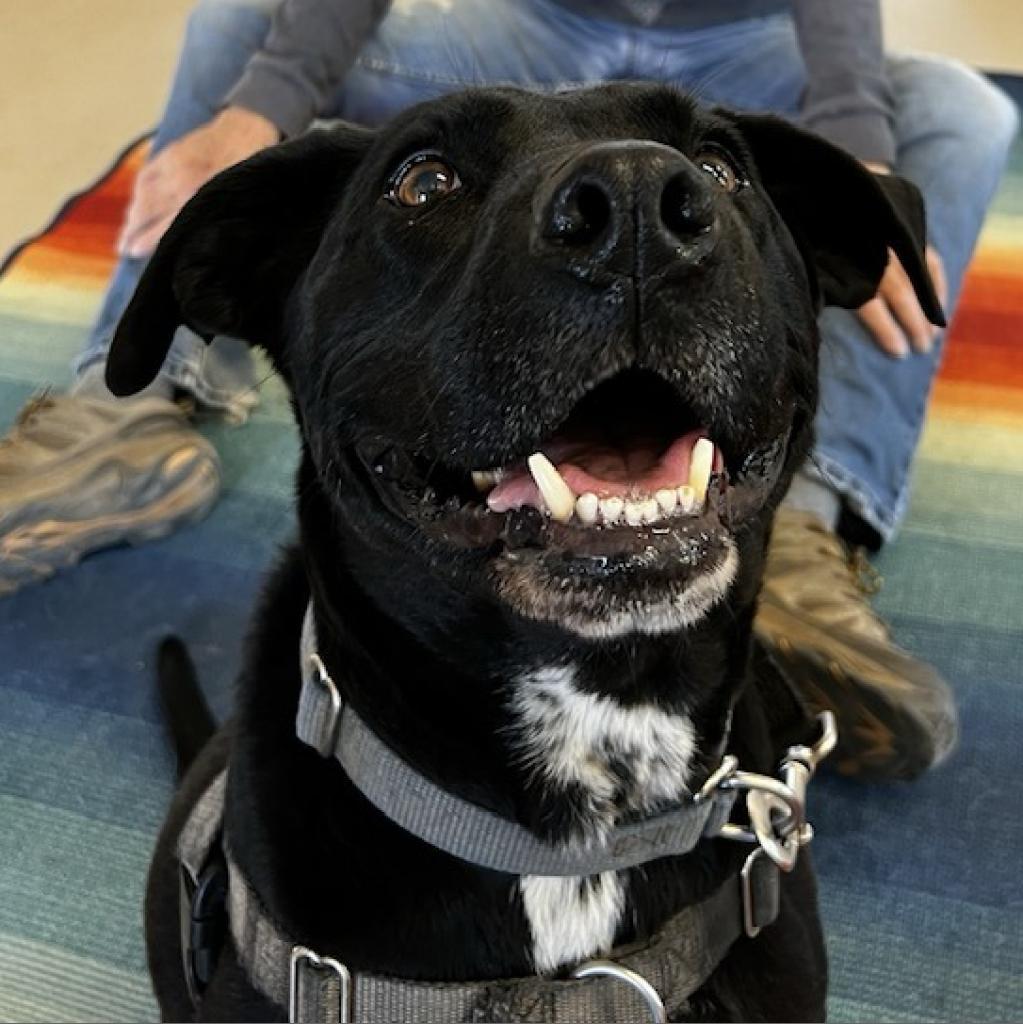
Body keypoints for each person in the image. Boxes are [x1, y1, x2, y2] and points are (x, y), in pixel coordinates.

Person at [0, 0, 1017, 780]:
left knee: (961, 114)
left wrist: (851, 126)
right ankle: (123, 408)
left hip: (740, 42)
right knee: (240, 19)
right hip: (530, 25)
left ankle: (803, 518)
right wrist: (265, 103)